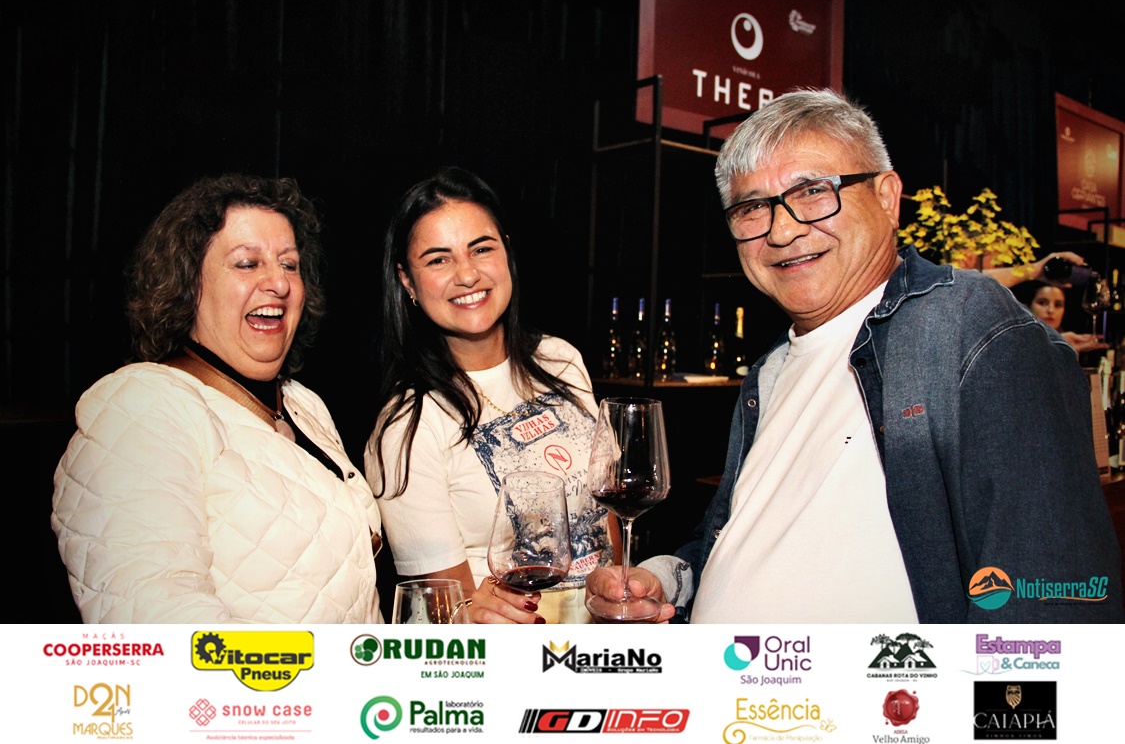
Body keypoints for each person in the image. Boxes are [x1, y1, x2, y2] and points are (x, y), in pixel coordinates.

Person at [587, 89, 1123, 623]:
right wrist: (668, 580)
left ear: (888, 198)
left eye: (813, 191)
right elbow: (743, 537)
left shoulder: (970, 329)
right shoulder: (771, 370)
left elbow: (1054, 607)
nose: (783, 230)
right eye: (752, 208)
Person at [52, 174, 383, 623]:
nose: (279, 282)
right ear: (188, 284)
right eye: (247, 263)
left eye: (289, 264)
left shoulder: (303, 405)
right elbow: (155, 615)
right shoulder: (140, 407)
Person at [365, 167, 617, 624]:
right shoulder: (407, 427)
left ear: (506, 252)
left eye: (481, 249)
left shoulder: (561, 360)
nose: (467, 274)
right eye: (438, 260)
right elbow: (445, 609)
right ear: (407, 282)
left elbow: (607, 509)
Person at [1017, 280, 1107, 353]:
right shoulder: (1016, 342)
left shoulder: (1068, 343)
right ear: (1027, 307)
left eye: (1058, 305)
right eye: (1042, 303)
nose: (1051, 310)